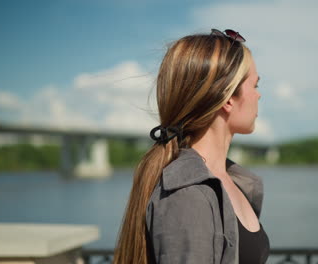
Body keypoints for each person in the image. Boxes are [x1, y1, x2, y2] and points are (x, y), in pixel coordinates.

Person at [113, 29, 270, 264]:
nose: (259, 96)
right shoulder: (188, 196)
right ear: (228, 97)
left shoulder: (233, 181)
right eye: (255, 86)